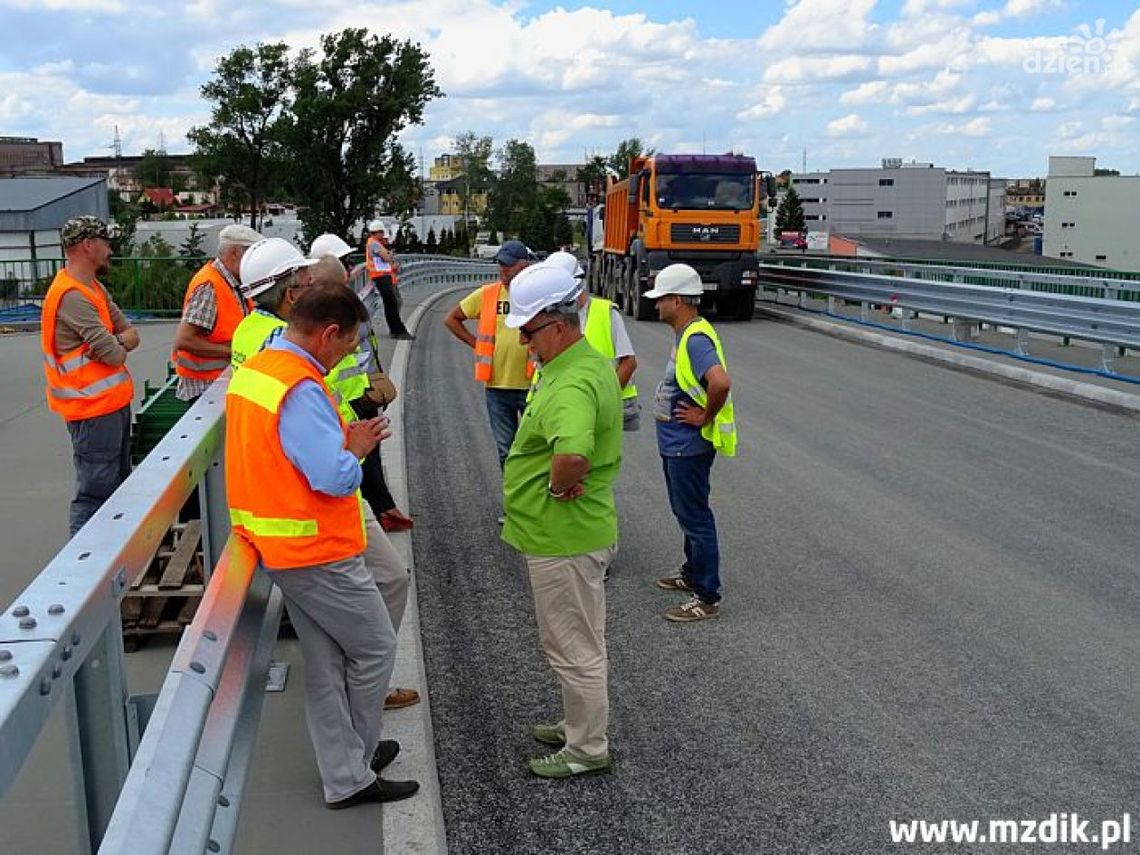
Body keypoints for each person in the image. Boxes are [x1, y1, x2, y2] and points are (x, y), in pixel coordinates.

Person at [225, 284, 419, 808]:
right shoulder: (301, 387)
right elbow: (332, 476)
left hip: (282, 542)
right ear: (328, 333)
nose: (347, 354)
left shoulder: (261, 369)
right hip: (315, 549)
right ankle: (354, 765)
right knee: (374, 648)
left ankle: (345, 768)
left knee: (328, 660)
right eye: (349, 343)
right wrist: (356, 447)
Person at [500, 264, 622, 779]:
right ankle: (578, 725)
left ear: (557, 324)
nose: (524, 343)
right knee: (579, 639)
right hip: (569, 532)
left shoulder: (572, 382)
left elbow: (572, 453)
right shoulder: (580, 363)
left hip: (564, 535)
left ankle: (586, 748)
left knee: (573, 646)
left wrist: (554, 487)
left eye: (529, 332)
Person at [643, 264, 737, 622]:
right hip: (677, 444)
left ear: (678, 300)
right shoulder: (687, 334)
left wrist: (704, 416)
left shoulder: (695, 339)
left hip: (688, 446)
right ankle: (692, 572)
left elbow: (721, 382)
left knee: (695, 517)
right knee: (686, 512)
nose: (656, 305)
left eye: (661, 298)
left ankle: (707, 596)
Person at [41, 216, 140, 537]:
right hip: (91, 410)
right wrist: (117, 344)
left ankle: (112, 552)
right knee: (95, 495)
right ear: (88, 245)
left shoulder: (93, 288)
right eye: (105, 242)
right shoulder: (72, 296)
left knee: (115, 487)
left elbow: (131, 335)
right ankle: (84, 559)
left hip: (109, 406)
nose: (110, 249)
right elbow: (115, 354)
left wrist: (117, 341)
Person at [309, 234, 415, 535]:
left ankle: (381, 509)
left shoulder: (334, 300)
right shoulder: (329, 306)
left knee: (369, 451)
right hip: (345, 396)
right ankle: (379, 512)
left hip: (356, 388)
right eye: (344, 262)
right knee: (360, 455)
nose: (350, 268)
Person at [443, 239, 535, 469]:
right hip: (497, 386)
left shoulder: (536, 295)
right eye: (500, 264)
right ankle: (512, 492)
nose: (503, 269)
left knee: (534, 451)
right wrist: (476, 345)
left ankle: (533, 491)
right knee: (506, 450)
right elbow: (451, 319)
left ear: (524, 265)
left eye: (508, 265)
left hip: (532, 385)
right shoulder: (488, 295)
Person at [535, 251, 639, 430]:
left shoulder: (606, 314)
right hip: (560, 408)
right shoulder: (552, 316)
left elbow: (628, 363)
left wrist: (602, 401)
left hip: (600, 409)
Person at [172, 224, 262, 401]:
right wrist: (234, 352)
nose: (254, 262)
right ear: (235, 253)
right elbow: (184, 340)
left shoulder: (230, 282)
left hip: (218, 381)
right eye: (251, 254)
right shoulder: (210, 285)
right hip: (206, 387)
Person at [365, 220, 412, 340]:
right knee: (391, 304)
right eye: (382, 232)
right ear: (378, 232)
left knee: (391, 304)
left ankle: (396, 330)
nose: (383, 235)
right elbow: (385, 257)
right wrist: (389, 255)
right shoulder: (374, 243)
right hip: (381, 277)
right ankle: (397, 330)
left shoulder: (372, 242)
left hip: (381, 277)